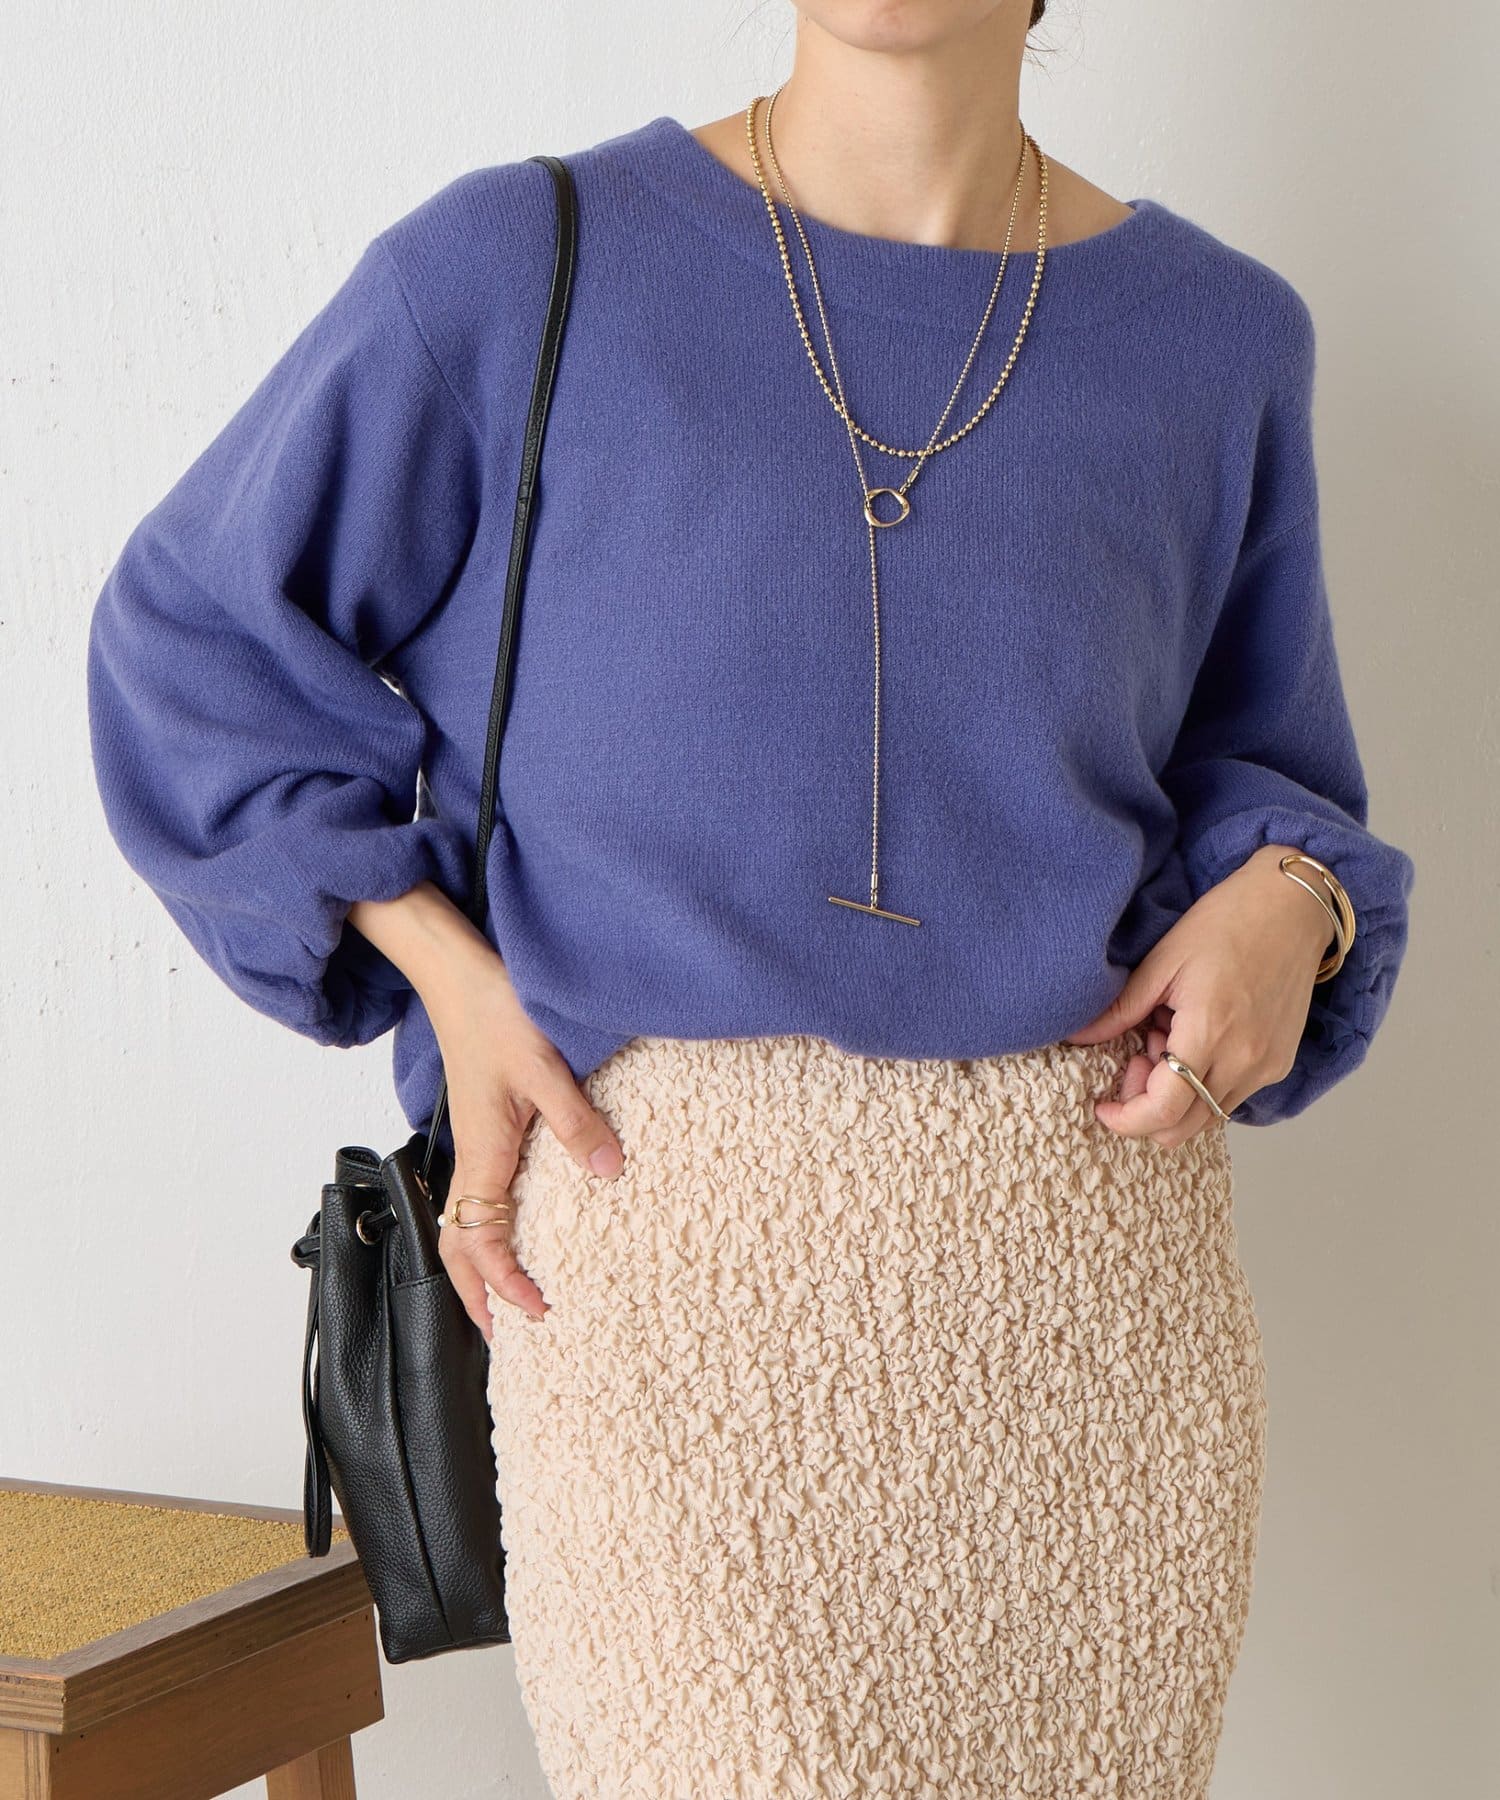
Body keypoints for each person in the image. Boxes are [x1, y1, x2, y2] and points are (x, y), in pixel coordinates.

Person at [86, 3, 1416, 1795]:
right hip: (662, 1271)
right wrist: (442, 970)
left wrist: (1296, 901)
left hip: (1086, 1303)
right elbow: (193, 647)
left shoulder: (1221, 340)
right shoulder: (517, 265)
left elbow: (1269, 772)